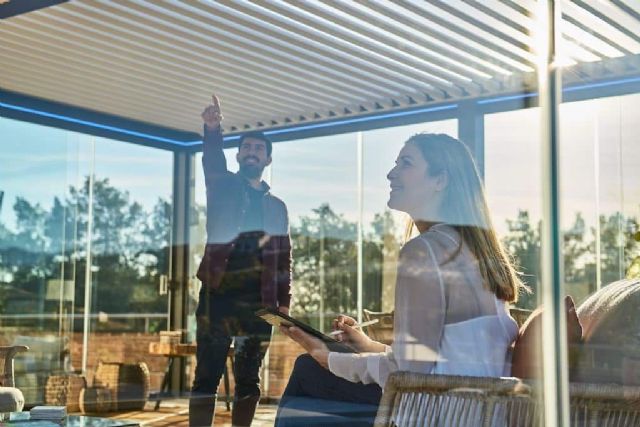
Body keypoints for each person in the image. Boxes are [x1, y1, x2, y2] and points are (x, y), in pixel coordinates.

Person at [275, 133, 523, 426]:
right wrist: (367, 345)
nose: (391, 173)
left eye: (405, 163)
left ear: (440, 180)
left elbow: (407, 372)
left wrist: (325, 356)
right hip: (475, 412)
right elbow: (430, 355)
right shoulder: (479, 255)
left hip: (437, 414)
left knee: (308, 370)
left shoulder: (424, 251)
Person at [189, 95, 292, 427]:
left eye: (258, 150)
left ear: (268, 159)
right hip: (217, 297)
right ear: (238, 155)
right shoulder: (222, 186)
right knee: (207, 376)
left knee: (249, 380)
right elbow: (212, 160)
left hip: (259, 304)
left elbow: (283, 259)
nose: (252, 152)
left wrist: (284, 303)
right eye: (246, 148)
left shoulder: (278, 207)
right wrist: (212, 128)